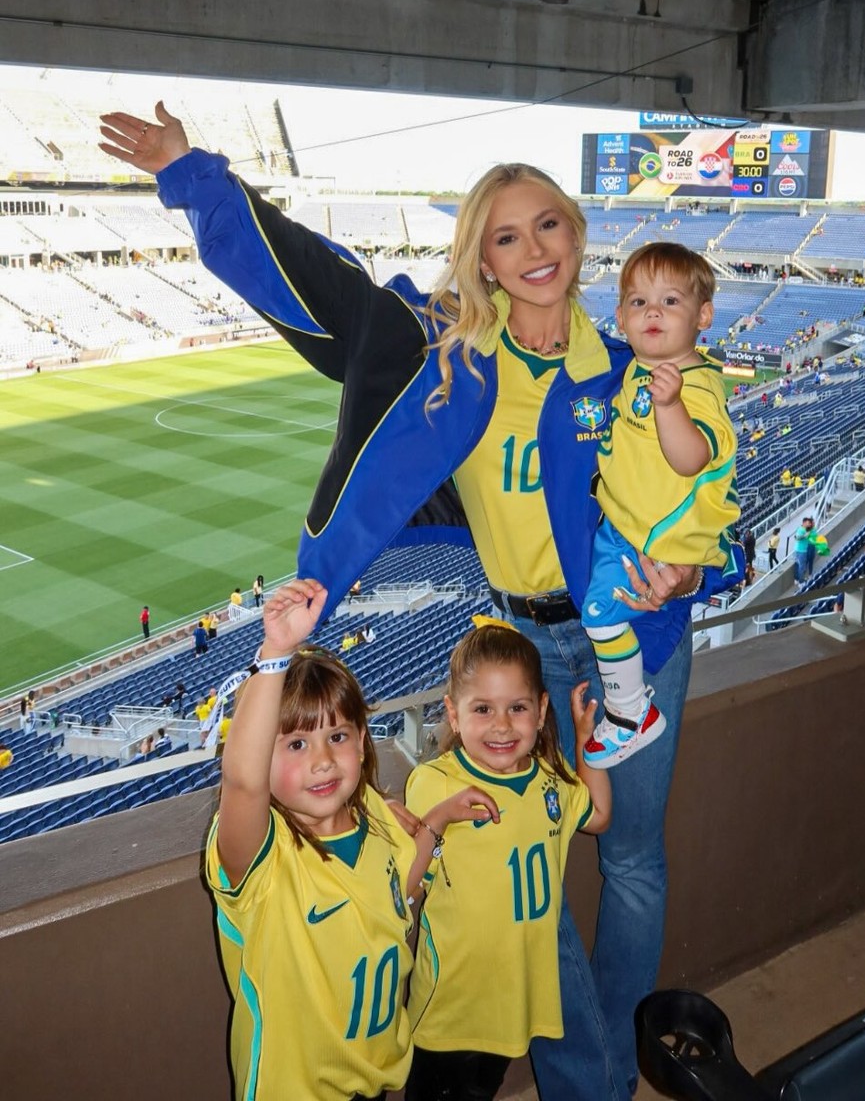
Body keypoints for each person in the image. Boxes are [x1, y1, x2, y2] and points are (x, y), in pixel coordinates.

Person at [99, 107, 743, 1101]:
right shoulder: (446, 355)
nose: (534, 250)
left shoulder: (629, 370)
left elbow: (715, 492)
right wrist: (194, 176)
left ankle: (608, 1067)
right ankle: (596, 1077)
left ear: (578, 237)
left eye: (550, 226)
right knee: (535, 868)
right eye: (506, 235)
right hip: (524, 647)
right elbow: (322, 289)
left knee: (633, 862)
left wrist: (696, 570)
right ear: (481, 259)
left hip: (641, 637)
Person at [204, 578, 497, 1101]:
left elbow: (396, 897)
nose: (321, 760)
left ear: (362, 743)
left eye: (337, 736)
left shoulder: (378, 821)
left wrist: (434, 824)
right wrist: (274, 653)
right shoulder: (263, 862)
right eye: (295, 743)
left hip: (375, 1077)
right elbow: (243, 783)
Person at [404, 621, 611, 1101]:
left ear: (541, 711)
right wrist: (436, 821)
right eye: (483, 709)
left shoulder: (550, 781)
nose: (501, 725)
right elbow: (404, 888)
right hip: (452, 1011)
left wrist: (586, 743)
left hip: (513, 1004)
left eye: (517, 708)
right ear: (453, 715)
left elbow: (597, 815)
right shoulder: (435, 783)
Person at [580, 244, 739, 767]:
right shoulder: (644, 366)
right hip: (631, 527)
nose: (652, 312)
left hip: (651, 543)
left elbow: (693, 456)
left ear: (703, 316)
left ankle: (630, 712)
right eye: (637, 301)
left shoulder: (693, 385)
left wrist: (669, 408)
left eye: (670, 300)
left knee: (601, 619)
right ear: (621, 316)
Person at [793, 517, 818, 583]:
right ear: (804, 523)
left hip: (805, 548)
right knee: (801, 566)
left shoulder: (809, 530)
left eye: (810, 523)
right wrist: (805, 536)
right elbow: (797, 537)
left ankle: (800, 579)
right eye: (809, 523)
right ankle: (800, 581)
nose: (810, 524)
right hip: (802, 550)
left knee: (802, 564)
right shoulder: (802, 530)